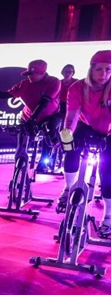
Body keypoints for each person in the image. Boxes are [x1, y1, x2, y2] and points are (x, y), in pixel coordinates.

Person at [60, 50, 111, 236]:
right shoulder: (77, 87)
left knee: (107, 172)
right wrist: (67, 133)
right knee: (71, 150)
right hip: (85, 125)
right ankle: (68, 188)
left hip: (108, 130)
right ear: (91, 69)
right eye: (99, 69)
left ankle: (108, 217)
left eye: (108, 70)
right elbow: (72, 115)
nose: (103, 74)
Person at [7, 59, 61, 173]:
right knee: (21, 141)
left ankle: (45, 162)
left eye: (32, 74)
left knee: (49, 132)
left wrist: (32, 120)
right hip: (27, 116)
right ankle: (19, 169)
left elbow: (44, 103)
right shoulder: (24, 84)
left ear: (42, 73)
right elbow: (6, 94)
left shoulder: (54, 81)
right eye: (28, 74)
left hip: (49, 115)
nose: (29, 77)